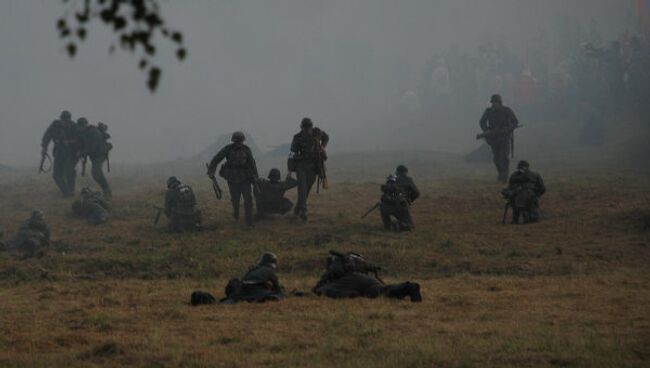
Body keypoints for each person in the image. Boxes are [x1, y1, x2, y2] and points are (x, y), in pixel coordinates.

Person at [313, 250, 422, 302]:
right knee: (384, 290)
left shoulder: (339, 271)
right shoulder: (354, 264)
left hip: (357, 282)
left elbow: (323, 289)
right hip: (370, 281)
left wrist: (314, 289)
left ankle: (407, 287)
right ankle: (407, 288)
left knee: (382, 293)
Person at [207, 131, 258, 228]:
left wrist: (256, 178)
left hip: (245, 178)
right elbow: (216, 159)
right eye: (237, 141)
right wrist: (211, 171)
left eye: (240, 141)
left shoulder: (247, 150)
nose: (239, 143)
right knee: (235, 199)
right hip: (232, 178)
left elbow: (252, 164)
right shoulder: (228, 149)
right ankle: (236, 211)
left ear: (243, 141)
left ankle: (249, 222)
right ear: (234, 141)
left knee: (248, 199)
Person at [287, 118, 329, 221]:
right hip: (301, 166)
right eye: (305, 128)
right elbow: (292, 154)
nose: (307, 130)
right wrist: (289, 170)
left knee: (306, 189)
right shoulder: (297, 138)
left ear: (311, 127)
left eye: (308, 128)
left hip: (313, 166)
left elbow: (326, 137)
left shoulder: (317, 132)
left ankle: (297, 210)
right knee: (302, 187)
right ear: (302, 128)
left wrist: (322, 147)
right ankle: (303, 211)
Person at [479, 94, 520, 183]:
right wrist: (486, 130)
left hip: (505, 137)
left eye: (496, 102)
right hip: (493, 139)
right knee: (496, 159)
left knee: (504, 157)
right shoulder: (488, 111)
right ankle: (500, 174)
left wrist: (508, 129)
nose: (494, 104)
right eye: (493, 102)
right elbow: (482, 122)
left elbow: (515, 122)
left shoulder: (506, 110)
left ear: (500, 102)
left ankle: (503, 178)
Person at [219, 252, 284, 304]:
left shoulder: (253, 269)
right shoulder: (270, 270)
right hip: (256, 290)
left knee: (235, 297)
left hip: (243, 288)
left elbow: (244, 279)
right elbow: (277, 287)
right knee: (275, 295)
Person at [41, 110, 79, 197]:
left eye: (67, 119)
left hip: (71, 153)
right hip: (59, 152)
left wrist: (69, 142)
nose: (65, 121)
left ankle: (70, 190)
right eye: (63, 119)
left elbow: (80, 140)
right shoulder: (56, 125)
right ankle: (66, 191)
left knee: (68, 171)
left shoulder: (74, 126)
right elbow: (47, 135)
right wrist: (44, 147)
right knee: (56, 175)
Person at [77, 118, 113, 198]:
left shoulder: (93, 132)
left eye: (80, 126)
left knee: (96, 173)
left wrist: (82, 153)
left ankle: (107, 192)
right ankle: (107, 191)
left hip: (100, 155)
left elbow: (93, 147)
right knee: (96, 173)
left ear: (83, 125)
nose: (79, 129)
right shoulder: (86, 132)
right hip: (95, 156)